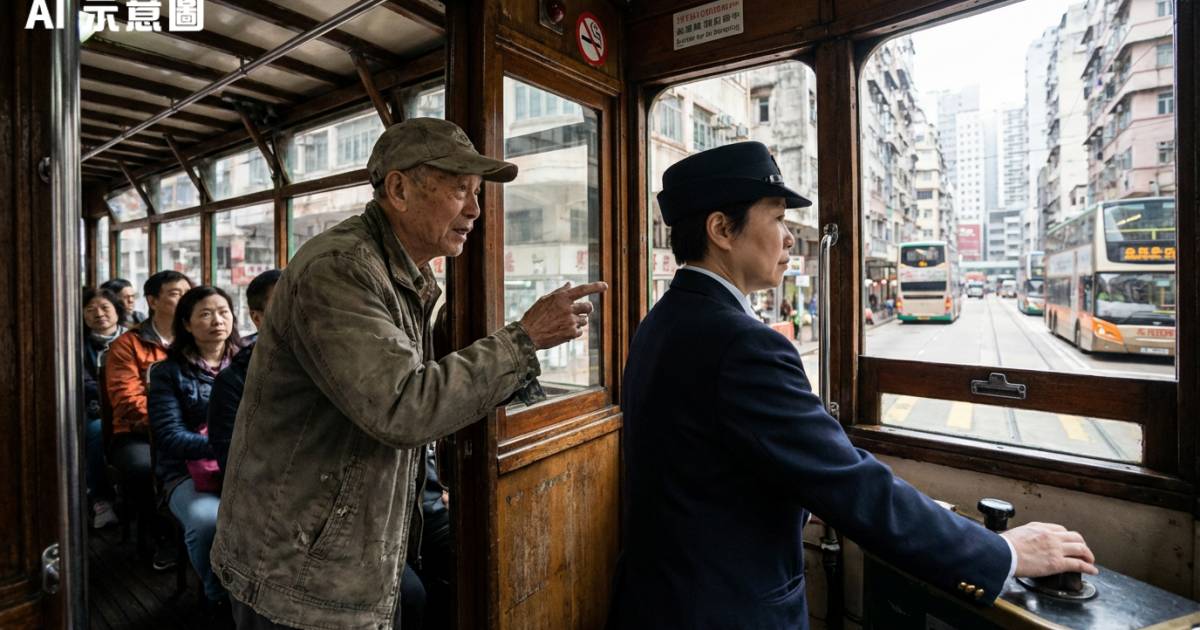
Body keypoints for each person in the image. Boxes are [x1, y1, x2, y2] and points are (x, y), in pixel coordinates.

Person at [606, 142, 1097, 629]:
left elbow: (708, 466)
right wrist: (1000, 553)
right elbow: (849, 481)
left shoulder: (662, 320)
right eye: (777, 219)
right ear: (721, 230)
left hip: (656, 598)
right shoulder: (742, 343)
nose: (790, 238)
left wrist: (802, 500)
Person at [212, 118, 607, 630]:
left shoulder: (402, 271)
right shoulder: (340, 268)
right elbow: (402, 406)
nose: (475, 209)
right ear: (398, 189)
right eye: (460, 189)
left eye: (477, 192)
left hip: (340, 553)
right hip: (296, 570)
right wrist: (524, 340)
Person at [147, 285, 241, 612]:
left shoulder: (250, 362)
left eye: (224, 312)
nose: (218, 320)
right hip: (187, 471)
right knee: (206, 524)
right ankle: (218, 597)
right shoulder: (168, 372)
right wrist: (228, 446)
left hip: (246, 466)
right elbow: (170, 436)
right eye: (206, 314)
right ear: (186, 324)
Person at [105, 269, 193, 570]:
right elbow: (127, 400)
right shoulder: (127, 344)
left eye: (188, 292)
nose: (185, 299)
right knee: (143, 468)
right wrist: (170, 424)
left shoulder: (193, 340)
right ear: (152, 301)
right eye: (176, 293)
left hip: (187, 429)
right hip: (137, 432)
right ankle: (162, 538)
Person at [207, 269, 281, 470]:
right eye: (284, 305)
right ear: (257, 318)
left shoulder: (329, 368)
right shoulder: (234, 380)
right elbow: (233, 459)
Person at [82, 287, 127, 528]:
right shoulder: (77, 345)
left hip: (132, 407)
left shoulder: (133, 340)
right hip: (95, 409)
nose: (99, 314)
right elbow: (84, 382)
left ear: (117, 311)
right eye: (91, 309)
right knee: (97, 431)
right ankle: (101, 499)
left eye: (105, 308)